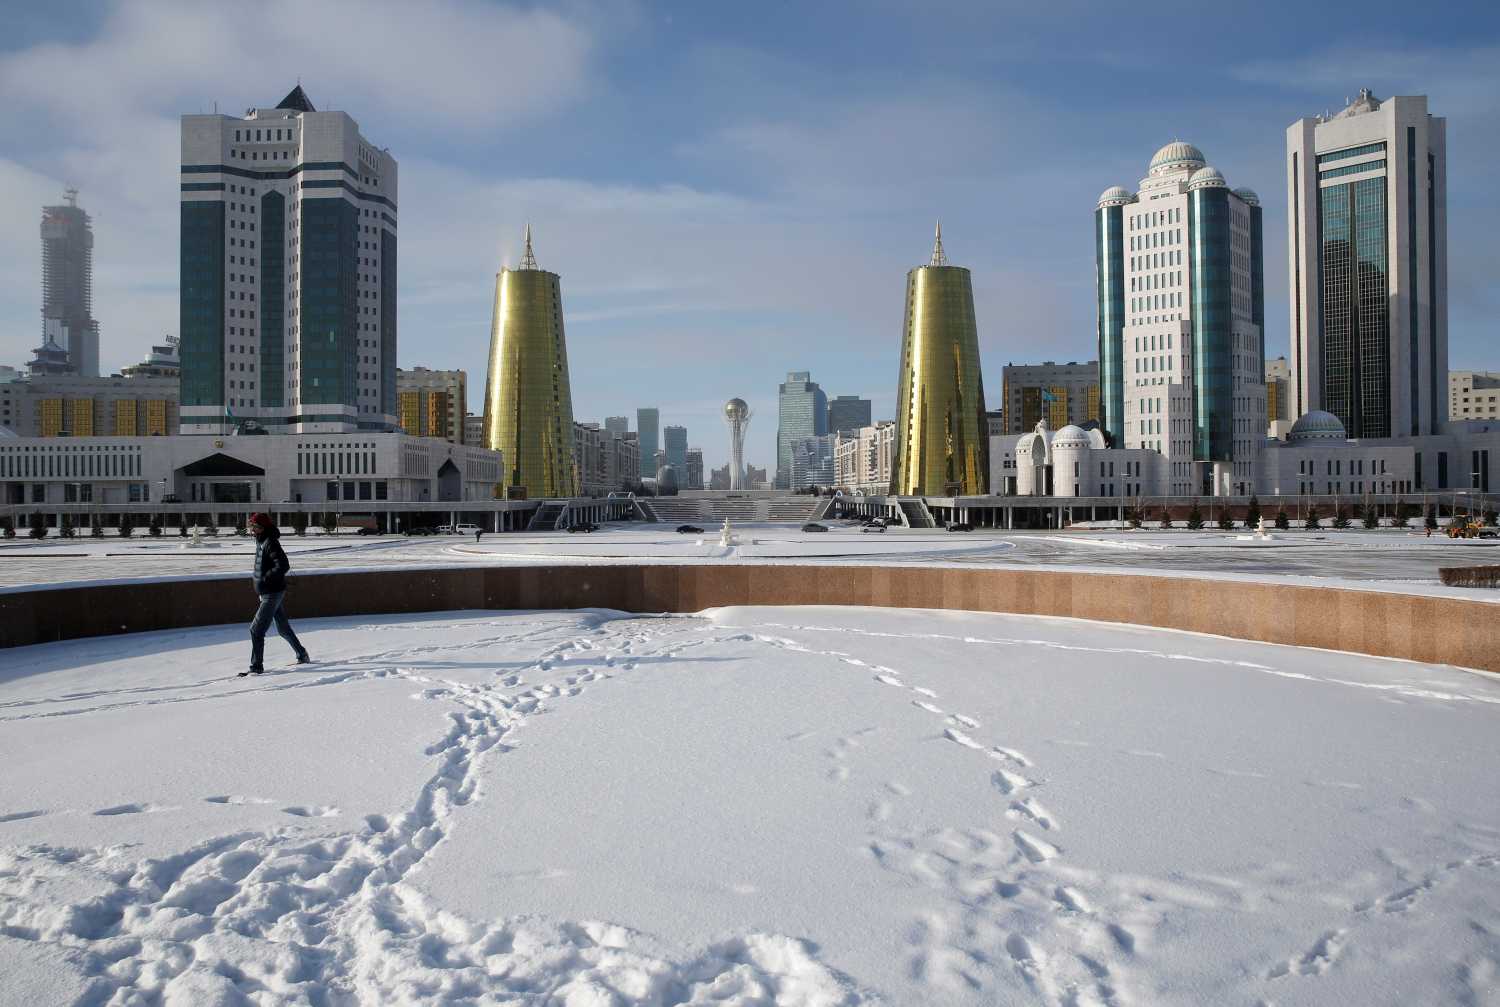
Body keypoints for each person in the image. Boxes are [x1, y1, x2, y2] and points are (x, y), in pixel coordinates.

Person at [246, 513, 309, 675]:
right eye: (252, 526)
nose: (252, 530)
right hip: (269, 592)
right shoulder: (261, 541)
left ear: (262, 527)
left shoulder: (270, 542)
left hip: (272, 593)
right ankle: (302, 654)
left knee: (256, 630)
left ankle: (256, 667)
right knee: (283, 628)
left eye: (254, 527)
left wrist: (266, 579)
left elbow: (283, 565)